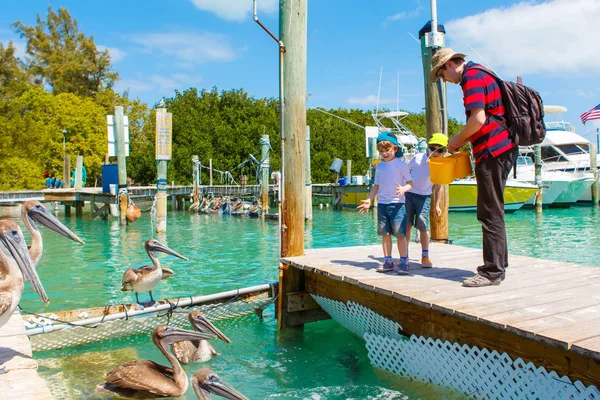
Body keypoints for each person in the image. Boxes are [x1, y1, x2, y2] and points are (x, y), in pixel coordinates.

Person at [430, 48, 516, 287]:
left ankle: (492, 272)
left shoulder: (472, 78)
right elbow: (484, 119)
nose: (444, 81)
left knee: (489, 211)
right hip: (501, 147)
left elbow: (477, 119)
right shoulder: (481, 73)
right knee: (493, 208)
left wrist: (456, 140)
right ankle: (499, 264)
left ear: (448, 65)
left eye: (441, 75)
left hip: (493, 150)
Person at [357, 132, 413, 275]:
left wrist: (403, 189)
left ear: (395, 149)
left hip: (398, 205)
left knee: (400, 235)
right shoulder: (379, 167)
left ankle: (404, 260)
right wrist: (369, 200)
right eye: (381, 151)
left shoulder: (401, 165)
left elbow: (410, 183)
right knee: (385, 233)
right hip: (382, 204)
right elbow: (376, 185)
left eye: (387, 150)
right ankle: (388, 260)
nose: (384, 153)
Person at [404, 133, 447, 268]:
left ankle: (425, 256)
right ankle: (404, 255)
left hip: (424, 197)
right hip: (409, 195)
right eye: (432, 148)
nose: (434, 152)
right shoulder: (417, 158)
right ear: (427, 147)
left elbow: (439, 187)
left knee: (423, 226)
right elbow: (405, 171)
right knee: (407, 225)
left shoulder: (441, 165)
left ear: (444, 151)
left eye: (439, 150)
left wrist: (437, 205)